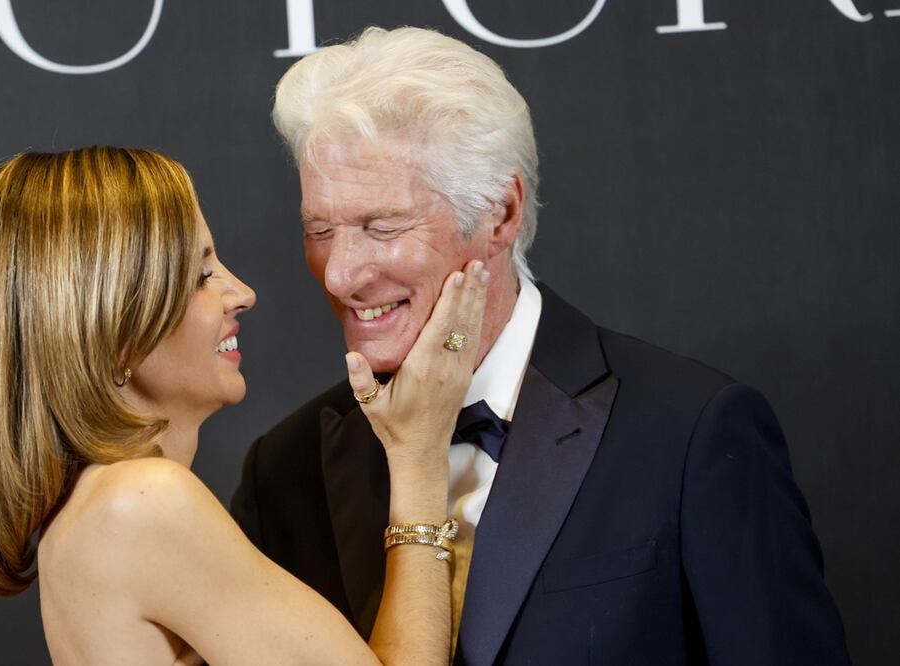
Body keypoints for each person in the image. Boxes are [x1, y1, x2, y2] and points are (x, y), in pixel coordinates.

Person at [232, 26, 851, 665]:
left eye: (381, 227)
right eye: (321, 229)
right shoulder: (284, 470)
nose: (339, 274)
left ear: (500, 215)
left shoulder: (688, 432)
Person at [0, 146, 491, 665]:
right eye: (202, 276)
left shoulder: (96, 508)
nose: (242, 292)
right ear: (112, 329)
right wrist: (418, 459)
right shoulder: (141, 504)